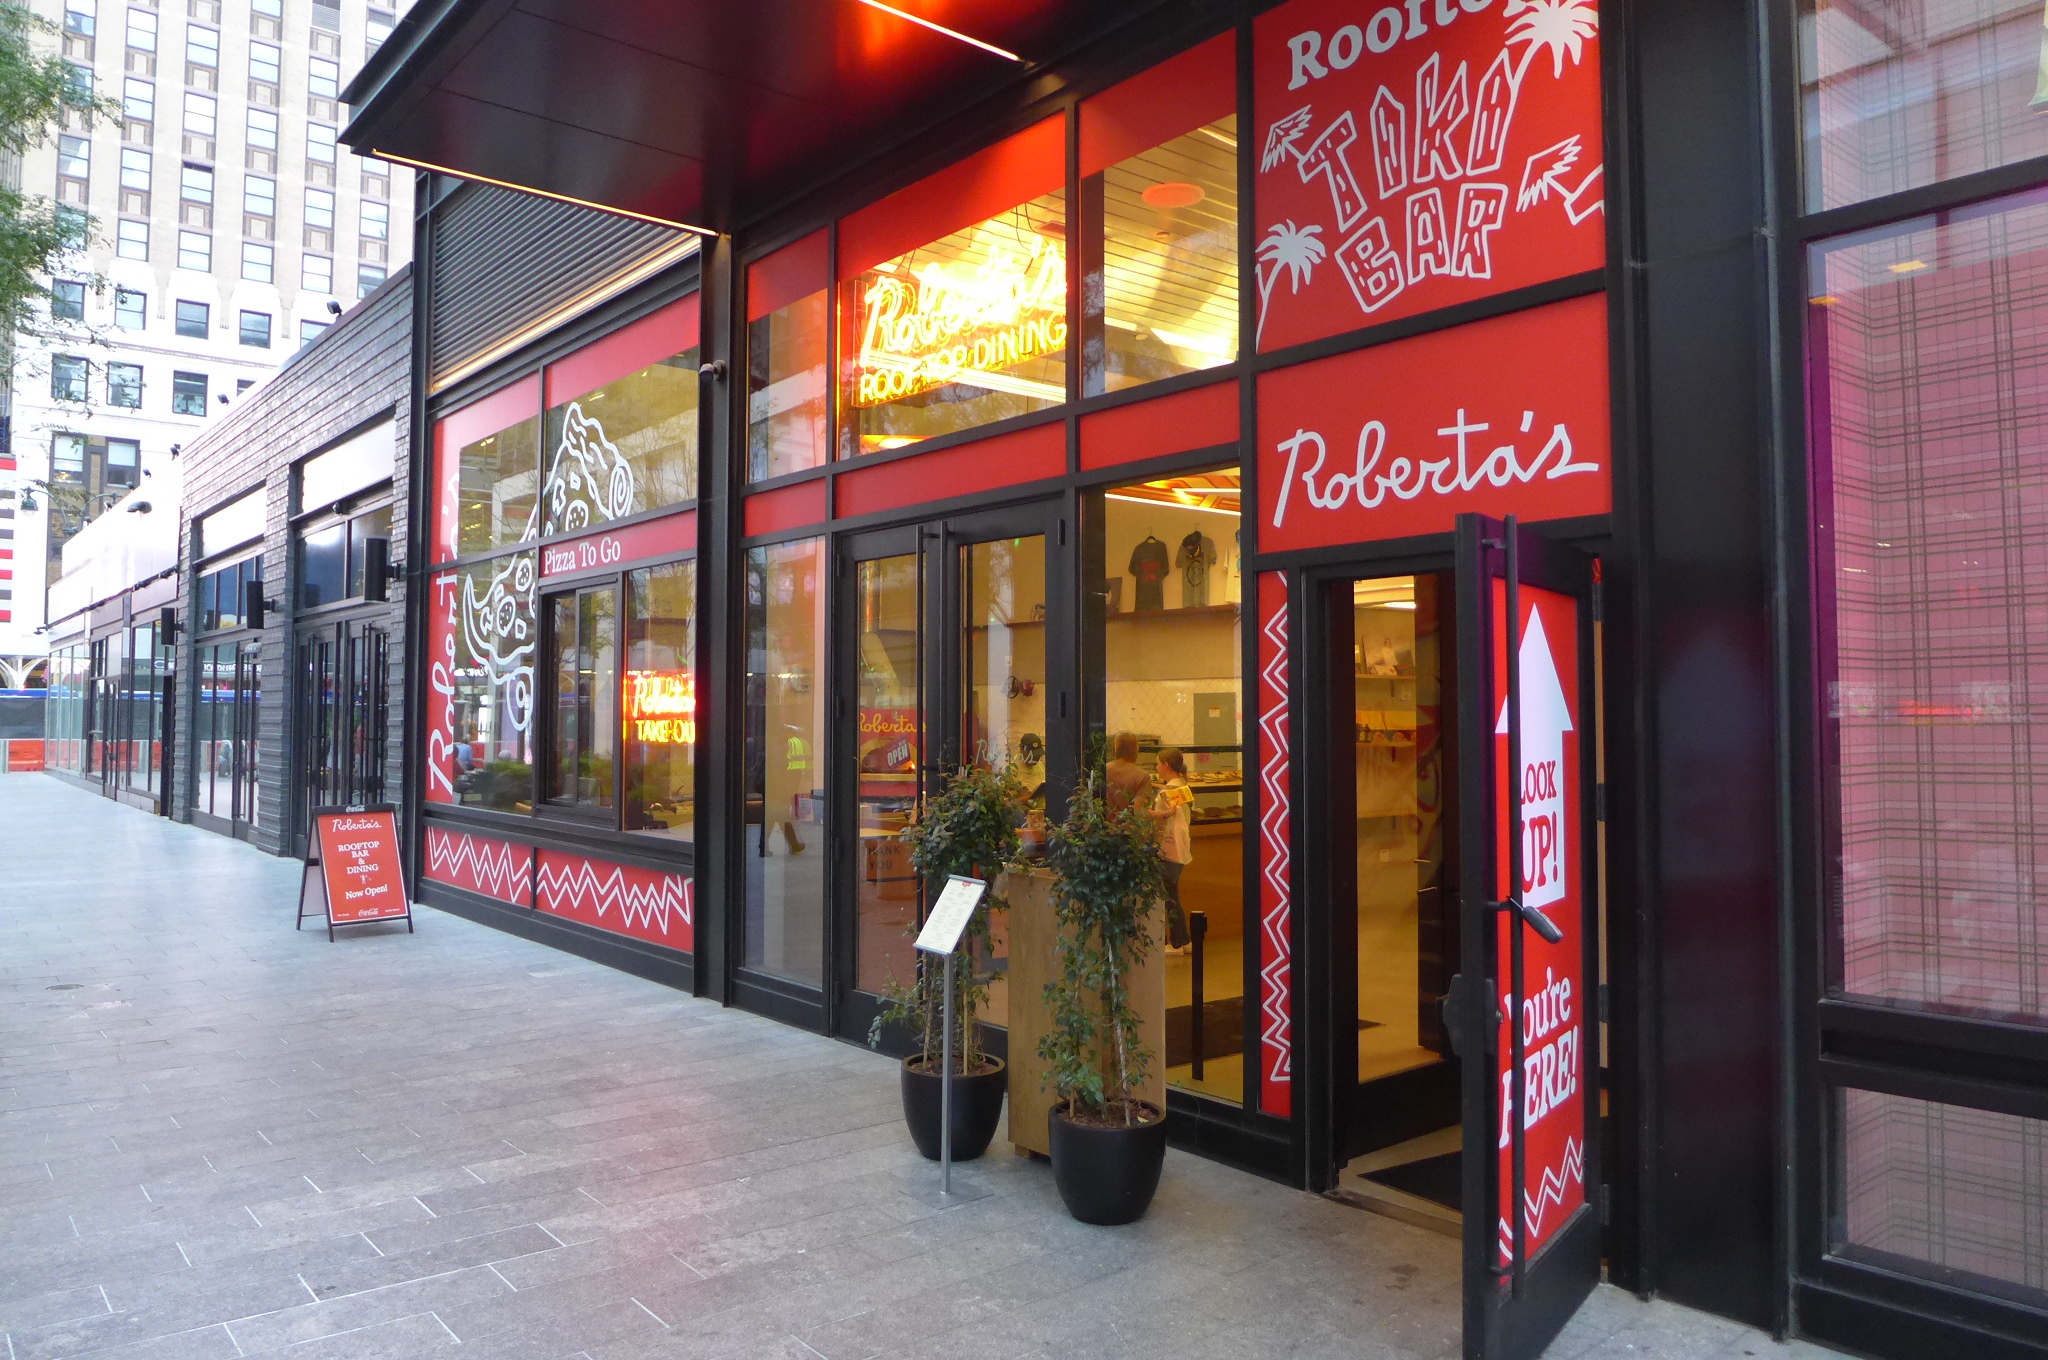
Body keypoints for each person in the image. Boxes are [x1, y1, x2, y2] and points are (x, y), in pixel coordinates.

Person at [1150, 747, 1194, 953]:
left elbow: (1163, 818)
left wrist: (1143, 813)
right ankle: (1183, 940)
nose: (1157, 767)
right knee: (1173, 894)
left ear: (1166, 765)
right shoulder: (1183, 786)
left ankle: (1176, 943)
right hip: (1182, 846)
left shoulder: (1166, 792)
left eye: (1158, 763)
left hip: (1169, 847)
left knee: (1168, 897)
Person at [1104, 731, 1150, 812]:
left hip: (1103, 823)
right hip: (1128, 824)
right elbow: (1140, 813)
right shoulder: (1142, 776)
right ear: (1136, 749)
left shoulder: (1103, 769)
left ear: (1116, 748)